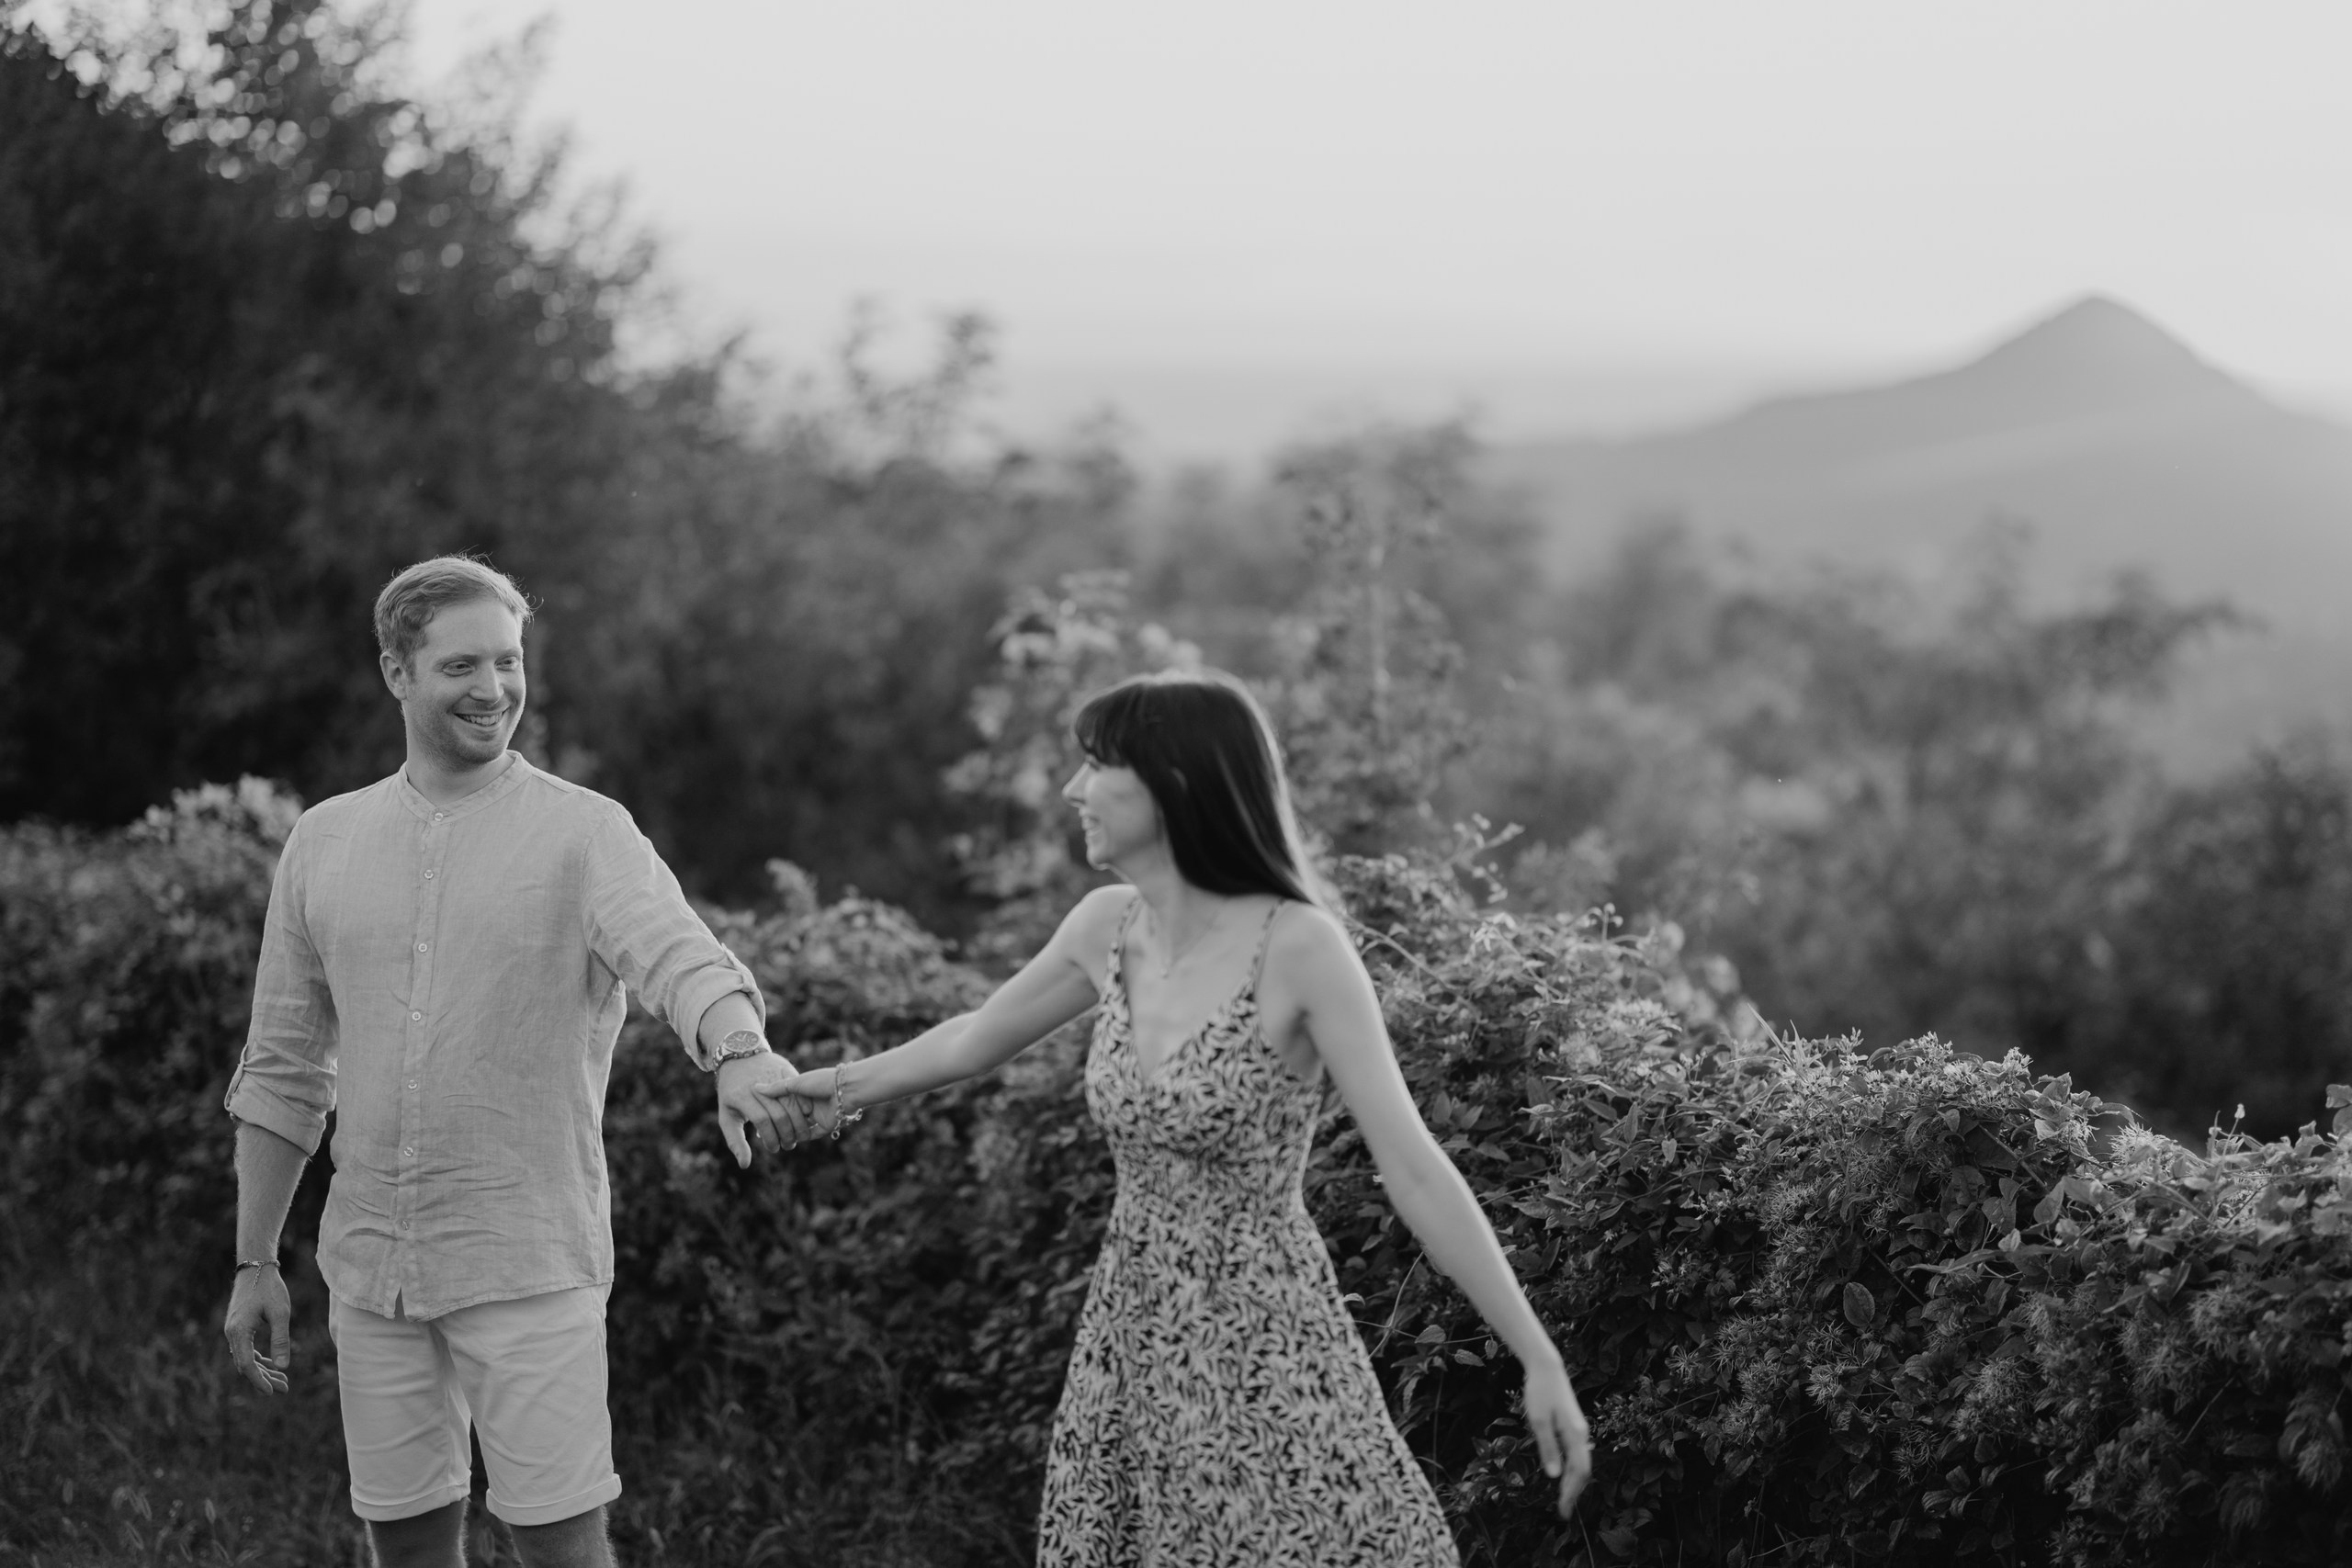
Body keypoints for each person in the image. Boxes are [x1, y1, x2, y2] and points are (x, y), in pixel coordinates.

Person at [773, 669, 1592, 1566]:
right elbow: (974, 1038)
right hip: (1131, 1328)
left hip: (1265, 1337)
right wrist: (833, 1090)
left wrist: (1537, 1356)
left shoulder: (1300, 947)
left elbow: (1415, 1168)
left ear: (1173, 784)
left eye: (1097, 766)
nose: (1072, 789)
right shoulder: (1106, 926)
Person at [220, 556, 814, 1568]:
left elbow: (681, 957)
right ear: (397, 672)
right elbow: (283, 1069)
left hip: (527, 1262)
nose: (492, 688)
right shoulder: (323, 841)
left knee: (561, 1547)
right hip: (369, 1271)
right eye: (460, 665)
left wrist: (740, 1051)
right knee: (405, 1544)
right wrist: (254, 1259)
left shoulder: (586, 833)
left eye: (507, 661)